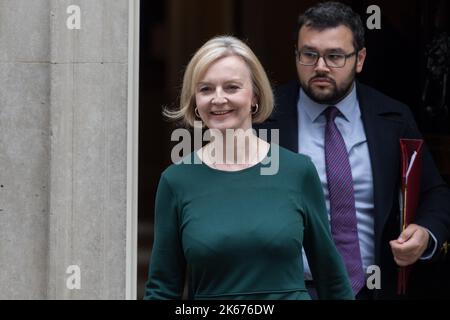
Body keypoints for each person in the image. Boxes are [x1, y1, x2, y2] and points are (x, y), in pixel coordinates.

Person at [256, 1, 450, 299]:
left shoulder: (394, 118)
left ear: (359, 59)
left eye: (334, 56)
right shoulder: (264, 121)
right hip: (290, 290)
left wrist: (425, 233)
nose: (320, 66)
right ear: (296, 55)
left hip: (374, 290)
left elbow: (434, 192)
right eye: (309, 55)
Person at [144, 35, 354, 300]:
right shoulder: (176, 181)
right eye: (206, 89)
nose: (218, 99)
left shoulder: (297, 171)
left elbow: (332, 278)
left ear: (254, 96)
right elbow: (163, 289)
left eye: (231, 87)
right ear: (195, 101)